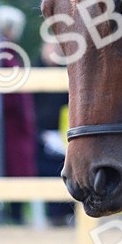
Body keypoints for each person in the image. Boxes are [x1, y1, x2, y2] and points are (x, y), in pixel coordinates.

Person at [0, 4, 38, 223]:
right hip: (12, 122)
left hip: (17, 123)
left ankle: (16, 211)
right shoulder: (5, 54)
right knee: (15, 164)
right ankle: (14, 212)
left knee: (18, 164)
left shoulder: (7, 53)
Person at [34, 37, 73, 226]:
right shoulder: (34, 70)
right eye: (50, 46)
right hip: (40, 135)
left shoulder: (66, 71)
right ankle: (50, 215)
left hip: (62, 134)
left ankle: (66, 214)